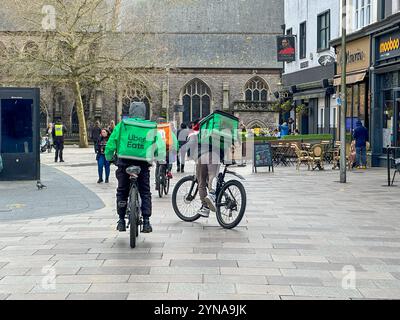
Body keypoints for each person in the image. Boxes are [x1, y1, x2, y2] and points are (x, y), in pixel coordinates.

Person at [105, 102, 165, 233]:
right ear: (144, 112)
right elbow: (159, 147)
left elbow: (110, 145)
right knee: (145, 192)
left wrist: (110, 157)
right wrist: (158, 157)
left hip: (124, 162)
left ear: (130, 111)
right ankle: (147, 222)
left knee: (122, 190)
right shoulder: (150, 127)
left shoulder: (122, 125)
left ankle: (121, 221)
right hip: (143, 163)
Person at [155, 119, 178, 191]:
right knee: (169, 160)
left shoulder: (155, 130)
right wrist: (176, 149)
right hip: (167, 149)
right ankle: (168, 172)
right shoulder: (169, 131)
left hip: (158, 151)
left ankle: (157, 183)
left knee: (158, 165)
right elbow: (174, 141)